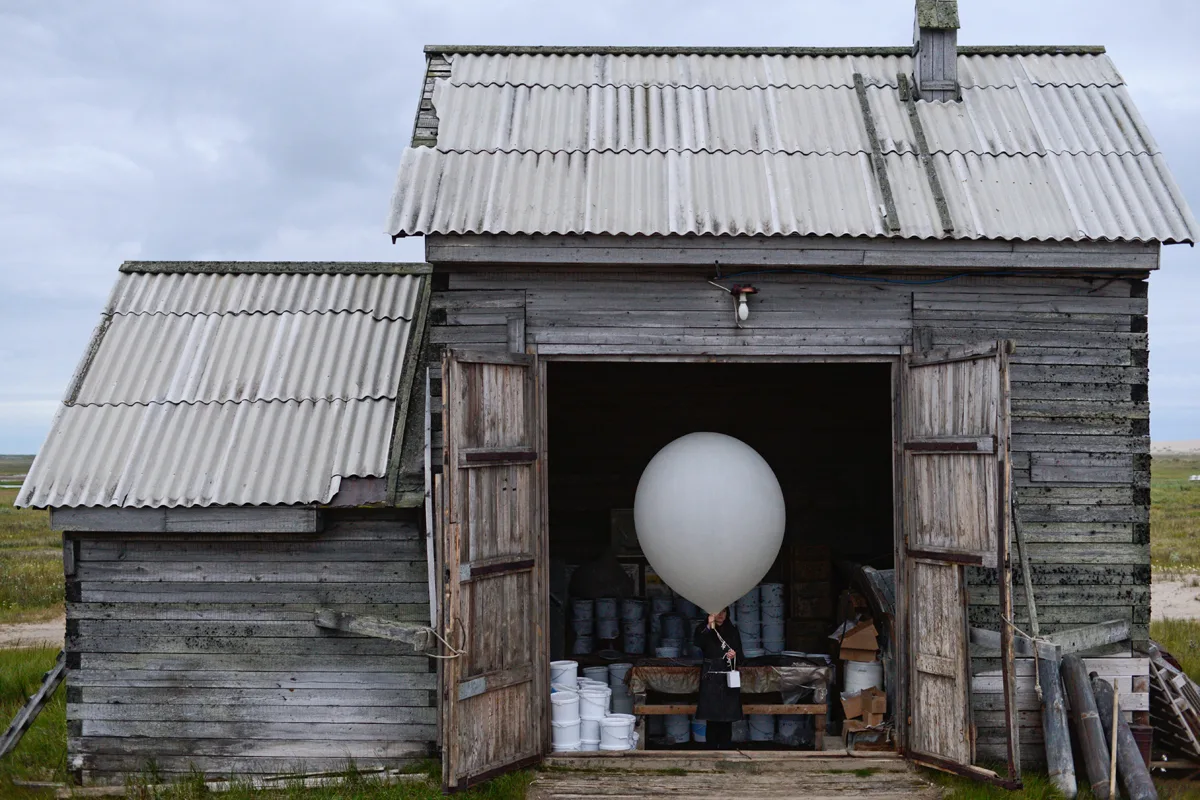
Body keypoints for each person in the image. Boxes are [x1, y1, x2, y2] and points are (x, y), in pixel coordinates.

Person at [693, 607, 743, 749]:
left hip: (727, 674)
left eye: (724, 612)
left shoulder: (732, 631)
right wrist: (709, 625)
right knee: (712, 717)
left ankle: (726, 747)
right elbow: (698, 642)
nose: (721, 615)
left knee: (727, 717)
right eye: (718, 612)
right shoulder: (704, 629)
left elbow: (741, 655)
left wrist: (734, 656)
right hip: (711, 676)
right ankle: (711, 749)